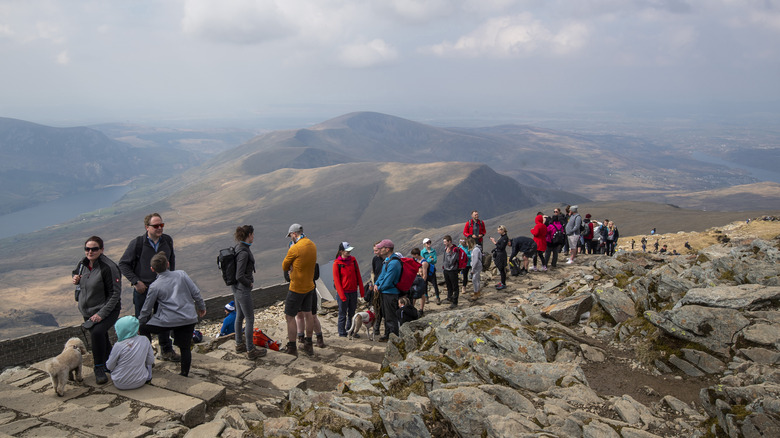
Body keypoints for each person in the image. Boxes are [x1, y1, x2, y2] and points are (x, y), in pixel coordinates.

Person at [118, 213, 178, 362]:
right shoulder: (137, 243)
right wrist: (136, 282)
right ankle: (146, 353)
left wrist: (170, 279)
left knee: (164, 318)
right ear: (147, 227)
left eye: (161, 225)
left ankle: (166, 350)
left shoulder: (167, 240)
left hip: (163, 288)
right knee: (143, 321)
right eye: (156, 226)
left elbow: (171, 260)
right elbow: (123, 264)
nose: (159, 228)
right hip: (144, 289)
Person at [138, 253, 206, 377]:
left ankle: (147, 359)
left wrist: (140, 323)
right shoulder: (182, 274)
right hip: (188, 318)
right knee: (185, 348)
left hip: (167, 321)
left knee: (143, 329)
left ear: (152, 269)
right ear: (168, 264)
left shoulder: (154, 286)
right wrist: (201, 307)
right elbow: (195, 292)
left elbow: (147, 308)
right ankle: (184, 373)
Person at [72, 236, 122, 385]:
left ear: (102, 249)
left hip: (107, 309)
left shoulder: (109, 267)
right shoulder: (83, 263)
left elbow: (115, 294)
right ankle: (111, 362)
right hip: (87, 310)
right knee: (102, 337)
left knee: (97, 333)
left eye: (94, 249)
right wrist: (75, 278)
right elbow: (76, 273)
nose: (90, 252)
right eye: (87, 249)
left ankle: (99, 367)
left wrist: (101, 314)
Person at [281, 223, 318, 356]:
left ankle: (292, 347)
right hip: (310, 286)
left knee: (290, 316)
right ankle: (308, 344)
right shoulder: (312, 245)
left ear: (294, 234)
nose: (291, 238)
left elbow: (284, 265)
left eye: (291, 235)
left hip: (296, 287)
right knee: (308, 314)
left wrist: (292, 266)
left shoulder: (295, 248)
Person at [231, 225, 266, 360]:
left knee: (239, 315)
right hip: (242, 289)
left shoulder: (238, 247)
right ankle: (251, 350)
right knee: (250, 318)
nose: (253, 237)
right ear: (249, 235)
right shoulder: (244, 252)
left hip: (236, 289)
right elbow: (239, 275)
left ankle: (239, 344)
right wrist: (249, 283)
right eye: (252, 235)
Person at [106, 316, 154, 390]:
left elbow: (110, 366)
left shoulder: (118, 345)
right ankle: (148, 378)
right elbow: (150, 361)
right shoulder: (145, 339)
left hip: (120, 384)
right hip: (141, 381)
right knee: (148, 363)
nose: (115, 332)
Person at [333, 241, 365, 338]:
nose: (349, 253)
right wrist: (342, 295)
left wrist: (362, 290)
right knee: (342, 313)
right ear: (341, 251)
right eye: (347, 251)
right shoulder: (337, 263)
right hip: (344, 292)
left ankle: (350, 331)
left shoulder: (353, 260)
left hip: (353, 291)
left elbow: (358, 274)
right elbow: (337, 281)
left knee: (352, 313)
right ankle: (342, 332)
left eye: (349, 251)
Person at [372, 239, 402, 341]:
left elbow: (388, 281)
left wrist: (379, 288)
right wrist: (376, 283)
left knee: (391, 317)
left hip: (390, 293)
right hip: (385, 293)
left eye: (381, 248)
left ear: (387, 249)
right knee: (386, 316)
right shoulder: (388, 260)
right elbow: (382, 275)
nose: (380, 250)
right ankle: (387, 335)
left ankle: (393, 338)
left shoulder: (393, 263)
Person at [441, 235, 463, 309]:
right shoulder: (446, 248)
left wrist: (448, 253)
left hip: (453, 270)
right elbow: (444, 258)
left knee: (455, 286)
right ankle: (449, 298)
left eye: (445, 241)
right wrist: (444, 266)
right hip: (446, 270)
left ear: (449, 241)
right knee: (448, 285)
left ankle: (455, 302)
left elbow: (452, 261)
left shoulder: (455, 249)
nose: (444, 243)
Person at [420, 238, 441, 304]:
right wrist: (429, 260)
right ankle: (426, 297)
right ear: (424, 244)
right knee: (425, 284)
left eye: (429, 242)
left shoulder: (433, 251)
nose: (429, 243)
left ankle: (437, 297)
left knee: (435, 284)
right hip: (425, 269)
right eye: (427, 242)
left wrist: (427, 261)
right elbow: (422, 261)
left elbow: (435, 260)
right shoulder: (422, 252)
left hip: (431, 270)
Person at [409, 247, 429, 316]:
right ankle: (412, 308)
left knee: (422, 294)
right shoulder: (416, 260)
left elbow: (425, 274)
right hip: (416, 278)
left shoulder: (424, 263)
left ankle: (421, 309)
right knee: (414, 293)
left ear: (416, 255)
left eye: (414, 255)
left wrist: (423, 282)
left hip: (421, 280)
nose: (413, 257)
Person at [489, 225, 509, 290]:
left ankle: (503, 283)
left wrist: (494, 242)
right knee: (500, 269)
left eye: (499, 230)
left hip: (501, 255)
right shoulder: (502, 237)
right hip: (499, 253)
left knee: (502, 269)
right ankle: (502, 282)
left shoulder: (505, 238)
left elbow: (501, 247)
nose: (498, 231)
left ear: (502, 230)